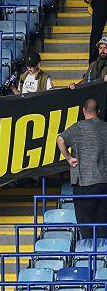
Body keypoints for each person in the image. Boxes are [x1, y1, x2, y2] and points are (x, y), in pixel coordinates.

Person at [56, 99, 107, 239]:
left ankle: (88, 258)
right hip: (105, 183)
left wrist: (68, 158)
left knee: (86, 228)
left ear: (83, 110)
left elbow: (60, 139)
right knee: (103, 227)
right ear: (99, 112)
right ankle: (102, 258)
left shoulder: (78, 127)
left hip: (85, 184)